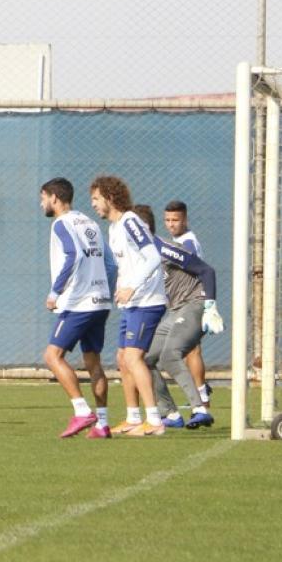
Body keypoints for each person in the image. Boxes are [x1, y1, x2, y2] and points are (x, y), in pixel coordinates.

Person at [133, 204, 225, 430]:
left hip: (193, 306)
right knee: (144, 360)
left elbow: (207, 271)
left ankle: (200, 408)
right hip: (175, 311)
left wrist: (210, 306)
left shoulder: (167, 248)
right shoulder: (141, 254)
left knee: (171, 355)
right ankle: (170, 413)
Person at [90, 175, 168, 436]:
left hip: (147, 301)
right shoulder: (113, 229)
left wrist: (132, 286)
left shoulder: (131, 221)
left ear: (110, 198)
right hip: (132, 303)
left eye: (96, 198)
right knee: (122, 358)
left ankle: (155, 421)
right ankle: (134, 417)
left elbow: (153, 256)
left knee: (134, 358)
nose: (93, 204)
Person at [40, 177, 114, 439]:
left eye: (43, 198)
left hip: (78, 302)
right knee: (93, 361)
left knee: (52, 356)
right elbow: (110, 263)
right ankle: (103, 424)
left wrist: (55, 292)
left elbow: (73, 255)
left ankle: (82, 411)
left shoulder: (61, 223)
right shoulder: (89, 221)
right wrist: (108, 292)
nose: (42, 204)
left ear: (54, 198)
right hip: (100, 300)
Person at [162, 200, 212, 406]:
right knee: (189, 349)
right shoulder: (179, 240)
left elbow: (197, 269)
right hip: (182, 301)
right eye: (167, 220)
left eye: (176, 220)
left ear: (185, 220)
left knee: (191, 350)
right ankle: (202, 393)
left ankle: (202, 397)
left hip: (191, 301)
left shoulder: (188, 242)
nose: (171, 224)